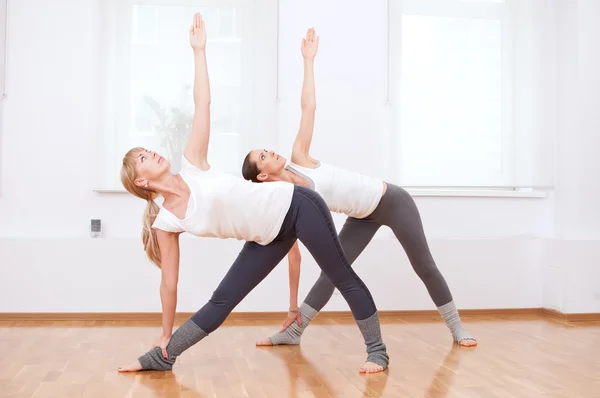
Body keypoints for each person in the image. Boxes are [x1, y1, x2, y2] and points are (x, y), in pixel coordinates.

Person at [117, 13, 389, 374]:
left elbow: (203, 104)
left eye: (148, 150)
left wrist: (199, 51)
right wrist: (165, 333)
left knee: (338, 273)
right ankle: (163, 357)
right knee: (222, 300)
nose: (152, 153)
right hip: (265, 235)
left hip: (296, 206)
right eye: (143, 158)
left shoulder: (193, 163)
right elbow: (169, 282)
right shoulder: (165, 223)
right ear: (142, 182)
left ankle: (377, 352)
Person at [241, 28, 477, 348]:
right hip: (361, 217)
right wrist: (291, 304)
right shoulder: (288, 197)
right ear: (263, 176)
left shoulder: (300, 158)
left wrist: (308, 61)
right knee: (331, 272)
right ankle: (294, 331)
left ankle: (457, 328)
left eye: (266, 149)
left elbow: (308, 108)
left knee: (423, 264)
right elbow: (292, 252)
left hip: (391, 199)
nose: (270, 152)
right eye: (263, 157)